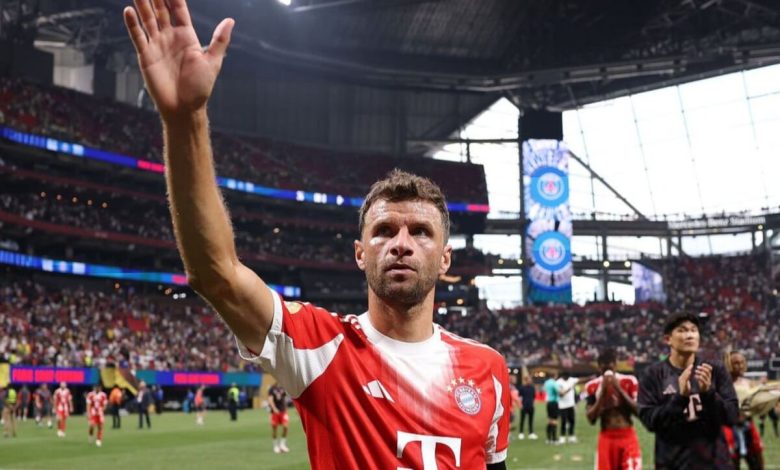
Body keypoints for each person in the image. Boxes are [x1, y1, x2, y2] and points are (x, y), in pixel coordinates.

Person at [122, 1, 511, 467]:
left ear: (446, 258)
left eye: (421, 232)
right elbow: (217, 274)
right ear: (360, 253)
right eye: (384, 230)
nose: (401, 243)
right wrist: (186, 120)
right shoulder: (321, 347)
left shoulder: (487, 368)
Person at [638, 312, 738, 469]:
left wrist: (708, 394)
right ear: (668, 339)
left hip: (714, 464)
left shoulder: (715, 369)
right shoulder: (653, 374)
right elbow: (650, 422)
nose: (689, 335)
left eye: (693, 330)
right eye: (682, 330)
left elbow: (731, 416)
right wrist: (681, 398)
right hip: (672, 464)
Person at [722, 350, 780, 470]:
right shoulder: (722, 384)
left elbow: (763, 391)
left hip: (748, 426)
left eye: (742, 362)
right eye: (736, 363)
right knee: (732, 464)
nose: (740, 365)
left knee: (757, 463)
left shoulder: (748, 383)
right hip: (729, 429)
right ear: (728, 364)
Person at [585, 348, 641, 470]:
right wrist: (602, 394)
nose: (608, 372)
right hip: (607, 437)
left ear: (615, 365)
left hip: (627, 435)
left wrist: (619, 389)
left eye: (610, 367)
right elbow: (591, 419)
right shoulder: (592, 386)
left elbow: (639, 412)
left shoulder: (629, 381)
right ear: (599, 367)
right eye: (604, 368)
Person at [556, 371, 580, 444]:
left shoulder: (571, 380)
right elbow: (561, 394)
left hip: (571, 405)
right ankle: (562, 437)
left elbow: (580, 379)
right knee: (563, 421)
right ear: (563, 376)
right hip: (562, 406)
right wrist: (570, 388)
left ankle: (571, 437)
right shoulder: (558, 383)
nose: (567, 378)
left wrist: (591, 377)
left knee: (572, 421)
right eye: (566, 377)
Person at [267, 383, 290, 453]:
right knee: (275, 429)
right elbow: (270, 399)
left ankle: (282, 444)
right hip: (275, 412)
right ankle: (275, 446)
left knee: (286, 427)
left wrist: (286, 410)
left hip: (283, 411)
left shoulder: (283, 387)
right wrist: (274, 408)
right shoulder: (272, 388)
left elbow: (284, 399)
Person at [517, 375, 538, 440]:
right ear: (526, 380)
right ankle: (521, 433)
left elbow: (534, 397)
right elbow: (519, 397)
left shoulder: (532, 388)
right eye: (529, 379)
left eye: (530, 379)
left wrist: (533, 404)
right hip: (524, 406)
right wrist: (520, 405)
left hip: (531, 406)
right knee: (522, 420)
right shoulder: (522, 388)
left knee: (531, 420)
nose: (530, 381)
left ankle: (531, 433)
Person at [543, 373, 561, 444]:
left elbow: (545, 390)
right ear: (555, 376)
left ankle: (548, 439)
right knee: (554, 421)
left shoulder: (546, 383)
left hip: (548, 403)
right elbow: (559, 391)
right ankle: (554, 439)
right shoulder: (554, 383)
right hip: (554, 402)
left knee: (550, 420)